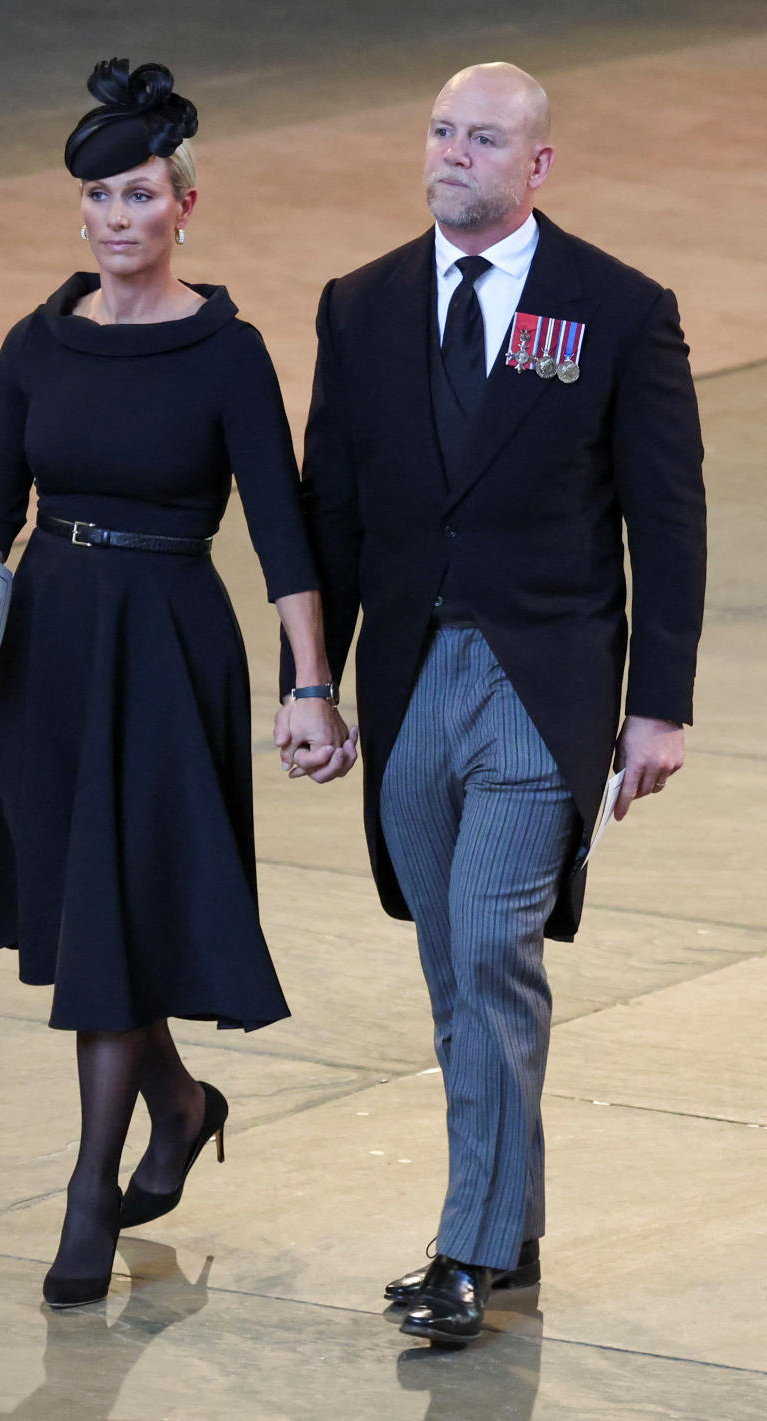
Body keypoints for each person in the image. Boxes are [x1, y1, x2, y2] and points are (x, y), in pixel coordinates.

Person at [0, 56, 356, 1310]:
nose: (117, 218)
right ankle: (181, 1101)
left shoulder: (227, 351)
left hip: (167, 643)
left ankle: (88, 1194)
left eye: (141, 194)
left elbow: (282, 533)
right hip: (46, 650)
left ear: (184, 207)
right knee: (90, 913)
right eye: (98, 197)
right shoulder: (36, 340)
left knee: (116, 913)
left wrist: (310, 687)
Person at [278, 61, 705, 1345]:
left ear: (539, 165)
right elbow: (334, 515)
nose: (455, 153)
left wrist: (659, 703)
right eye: (442, 131)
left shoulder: (619, 311)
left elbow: (666, 521)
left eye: (485, 138)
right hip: (412, 683)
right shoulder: (361, 307)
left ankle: (465, 1251)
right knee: (451, 969)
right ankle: (507, 1217)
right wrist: (315, 683)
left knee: (487, 948)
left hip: (544, 680)